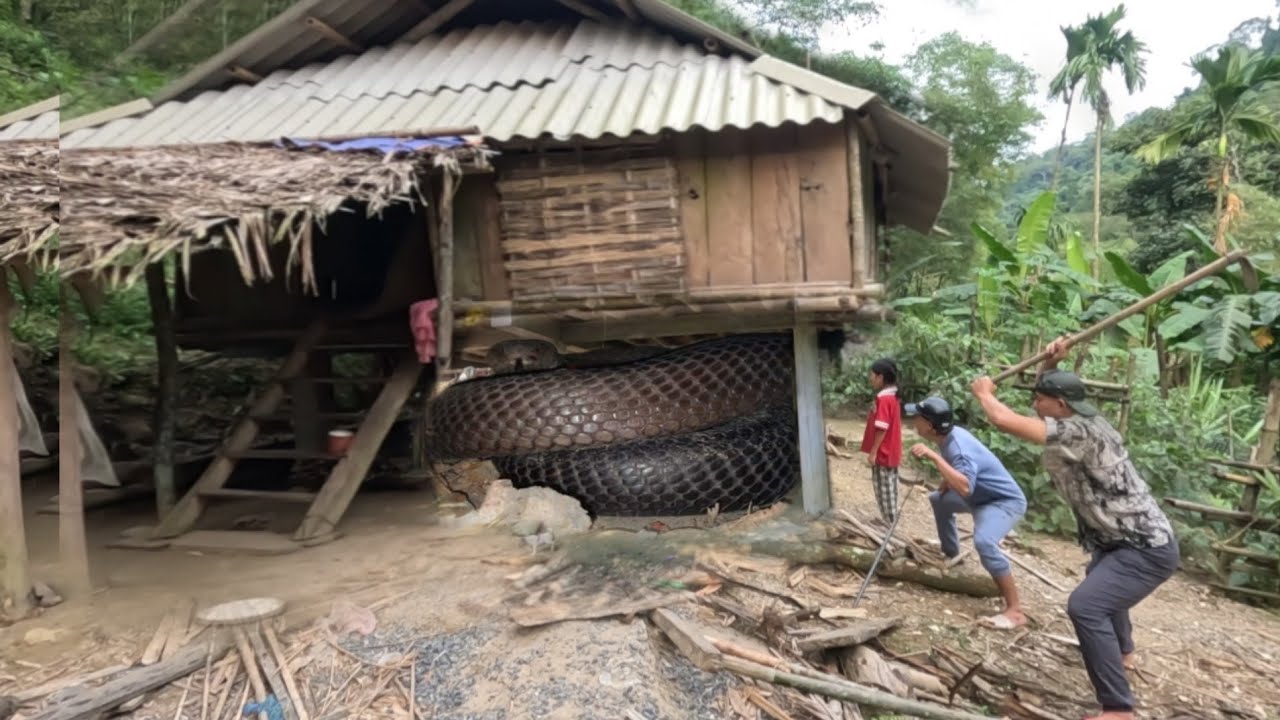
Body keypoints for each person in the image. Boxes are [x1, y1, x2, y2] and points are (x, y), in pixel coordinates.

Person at [969, 337, 1180, 720]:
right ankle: (1123, 652)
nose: (1035, 405)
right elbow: (1042, 405)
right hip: (1119, 540)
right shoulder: (1081, 419)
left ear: (1061, 406)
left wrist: (984, 393)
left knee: (1085, 606)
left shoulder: (1082, 432)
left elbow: (1003, 420)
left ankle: (1118, 709)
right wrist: (1050, 366)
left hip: (1144, 547)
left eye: (1040, 400)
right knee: (1099, 579)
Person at [905, 396, 1029, 630]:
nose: (914, 421)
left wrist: (934, 458)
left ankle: (1015, 609)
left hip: (1001, 502)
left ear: (930, 425)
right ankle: (951, 554)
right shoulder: (949, 438)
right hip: (978, 497)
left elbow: (964, 486)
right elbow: (963, 475)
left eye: (918, 418)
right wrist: (946, 480)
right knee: (938, 500)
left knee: (984, 542)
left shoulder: (957, 447)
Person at [859, 358, 902, 524]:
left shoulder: (884, 399)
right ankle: (890, 519)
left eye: (872, 375)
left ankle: (890, 522)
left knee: (883, 488)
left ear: (880, 377)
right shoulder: (893, 396)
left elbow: (882, 427)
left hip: (883, 451)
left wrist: (873, 452)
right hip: (892, 449)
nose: (870, 378)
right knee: (890, 486)